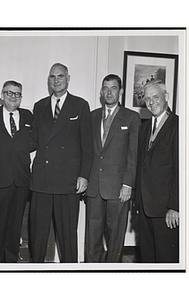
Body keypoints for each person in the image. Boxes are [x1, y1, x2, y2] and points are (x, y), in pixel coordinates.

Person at [29, 63, 92, 263]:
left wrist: (84, 175)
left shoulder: (80, 105)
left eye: (60, 76)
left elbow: (87, 146)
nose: (56, 80)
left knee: (67, 237)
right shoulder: (39, 106)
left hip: (68, 181)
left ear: (68, 79)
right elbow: (32, 139)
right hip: (42, 179)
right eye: (52, 77)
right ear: (48, 80)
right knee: (38, 235)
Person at [85, 74, 141, 263]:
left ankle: (112, 274)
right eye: (106, 88)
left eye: (114, 88)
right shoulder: (92, 116)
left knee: (115, 238)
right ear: (101, 92)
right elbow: (87, 152)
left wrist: (128, 184)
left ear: (121, 91)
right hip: (94, 187)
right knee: (92, 238)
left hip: (118, 188)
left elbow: (133, 154)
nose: (109, 92)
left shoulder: (132, 118)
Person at [0, 80, 33, 263]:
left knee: (15, 225)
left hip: (21, 181)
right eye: (9, 93)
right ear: (2, 95)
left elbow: (35, 140)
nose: (13, 97)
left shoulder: (28, 116)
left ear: (21, 98)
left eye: (17, 94)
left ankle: (11, 264)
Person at [135, 80, 179, 263]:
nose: (151, 102)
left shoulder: (178, 125)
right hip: (145, 207)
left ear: (166, 97)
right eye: (147, 99)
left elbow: (180, 169)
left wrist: (175, 206)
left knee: (165, 259)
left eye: (155, 97)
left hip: (165, 210)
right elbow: (141, 166)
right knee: (147, 258)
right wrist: (137, 202)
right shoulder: (144, 127)